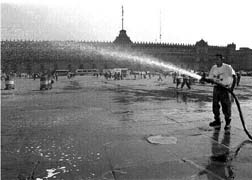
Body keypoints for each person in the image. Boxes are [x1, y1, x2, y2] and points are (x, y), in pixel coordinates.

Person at [208, 54, 236, 130]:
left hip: (225, 89)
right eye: (215, 59)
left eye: (218, 59)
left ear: (221, 59)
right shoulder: (214, 67)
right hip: (216, 88)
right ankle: (217, 120)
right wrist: (208, 80)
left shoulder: (228, 67)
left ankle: (228, 123)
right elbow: (211, 78)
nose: (216, 61)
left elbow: (234, 77)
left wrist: (231, 89)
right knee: (215, 106)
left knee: (226, 106)